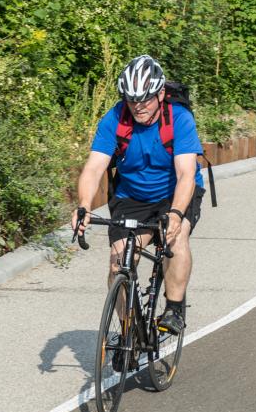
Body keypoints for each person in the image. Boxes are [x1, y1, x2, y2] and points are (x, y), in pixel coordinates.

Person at [71, 55, 205, 336]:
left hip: (175, 194)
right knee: (118, 262)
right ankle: (129, 331)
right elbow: (94, 168)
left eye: (145, 99)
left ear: (160, 94)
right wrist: (83, 205)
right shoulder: (114, 119)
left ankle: (174, 308)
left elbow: (185, 174)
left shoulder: (179, 118)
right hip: (132, 196)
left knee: (175, 238)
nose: (138, 107)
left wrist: (177, 214)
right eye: (132, 100)